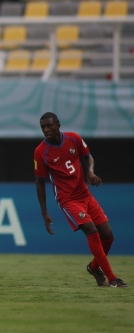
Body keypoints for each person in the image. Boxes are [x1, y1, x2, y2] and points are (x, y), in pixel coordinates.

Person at [34, 112, 127, 288]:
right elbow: (39, 182)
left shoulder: (74, 138)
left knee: (108, 236)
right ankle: (112, 278)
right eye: (43, 127)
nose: (46, 130)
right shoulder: (40, 151)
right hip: (67, 199)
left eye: (49, 126)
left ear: (58, 125)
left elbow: (88, 157)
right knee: (91, 231)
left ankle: (93, 267)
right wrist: (44, 212)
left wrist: (90, 171)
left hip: (85, 195)